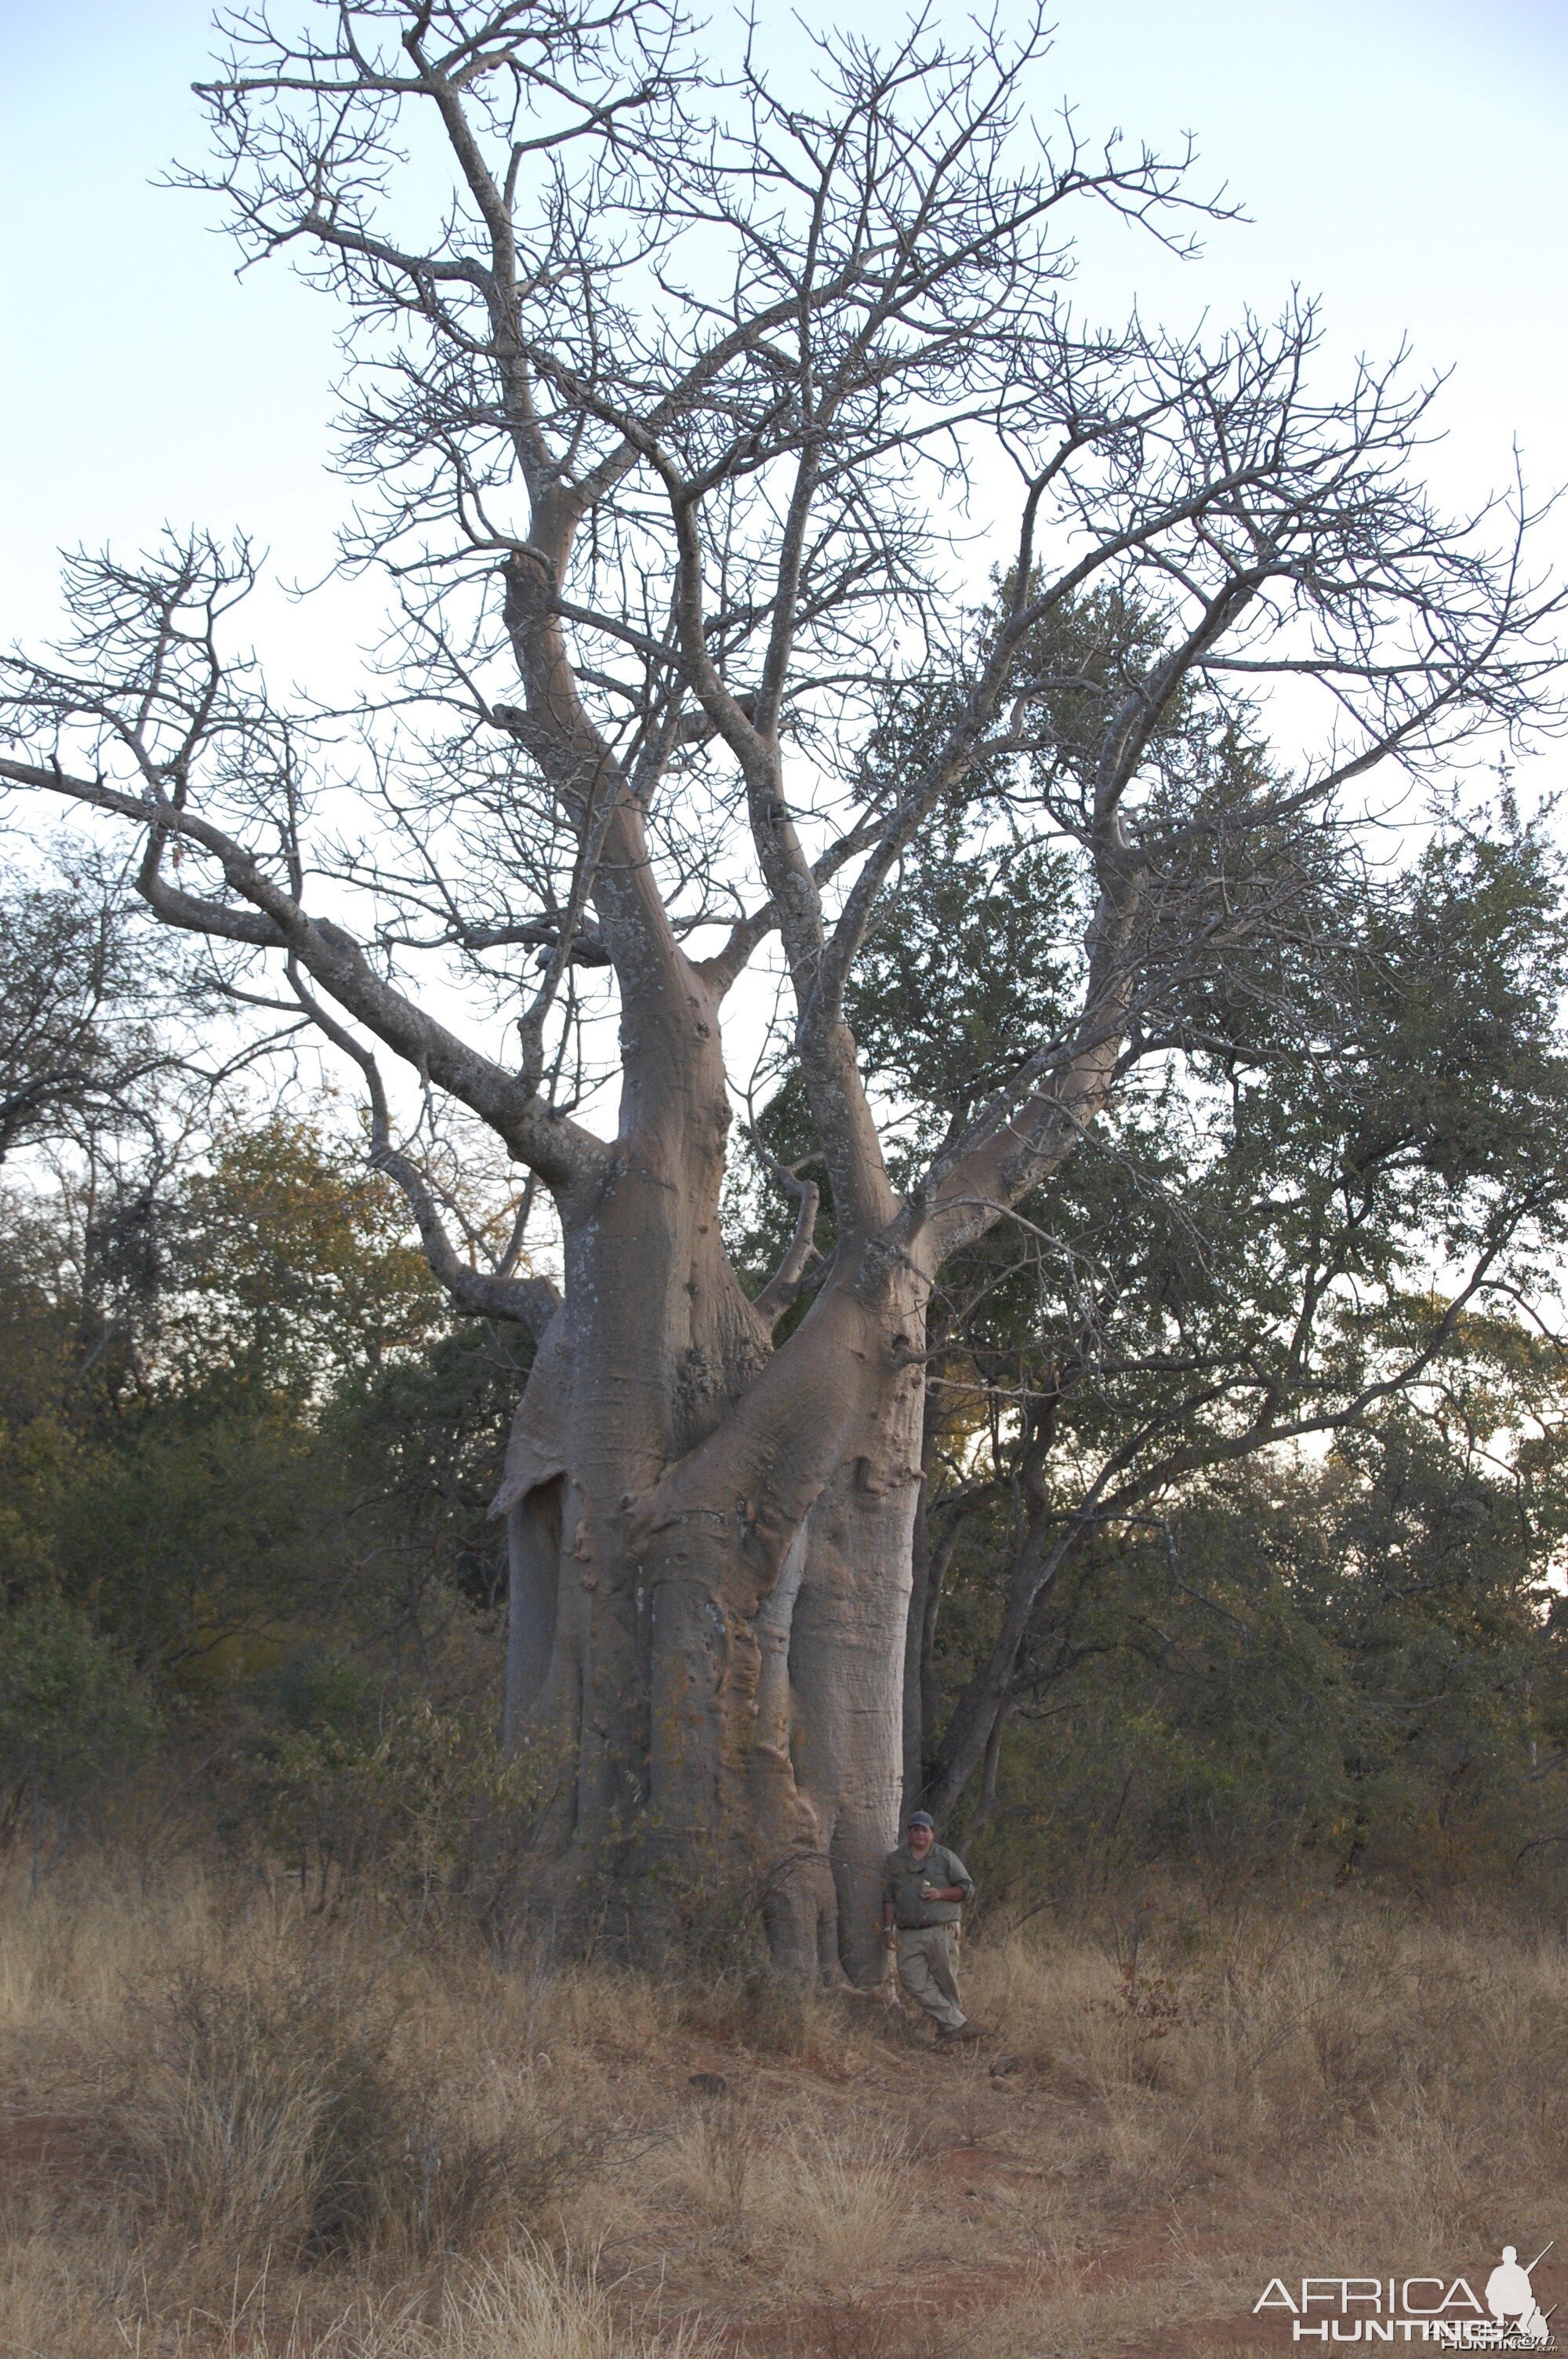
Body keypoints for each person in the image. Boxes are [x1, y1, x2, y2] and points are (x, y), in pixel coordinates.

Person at [881, 1810, 989, 2041]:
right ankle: (959, 2024)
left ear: (932, 1833)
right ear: (909, 1832)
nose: (920, 1834)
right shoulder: (895, 1861)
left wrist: (940, 1894)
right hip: (909, 1932)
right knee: (911, 1979)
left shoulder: (945, 1857)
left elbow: (967, 1889)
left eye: (925, 1830)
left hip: (942, 1928)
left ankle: (950, 2030)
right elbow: (889, 1897)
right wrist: (888, 1929)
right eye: (915, 1829)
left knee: (945, 1980)